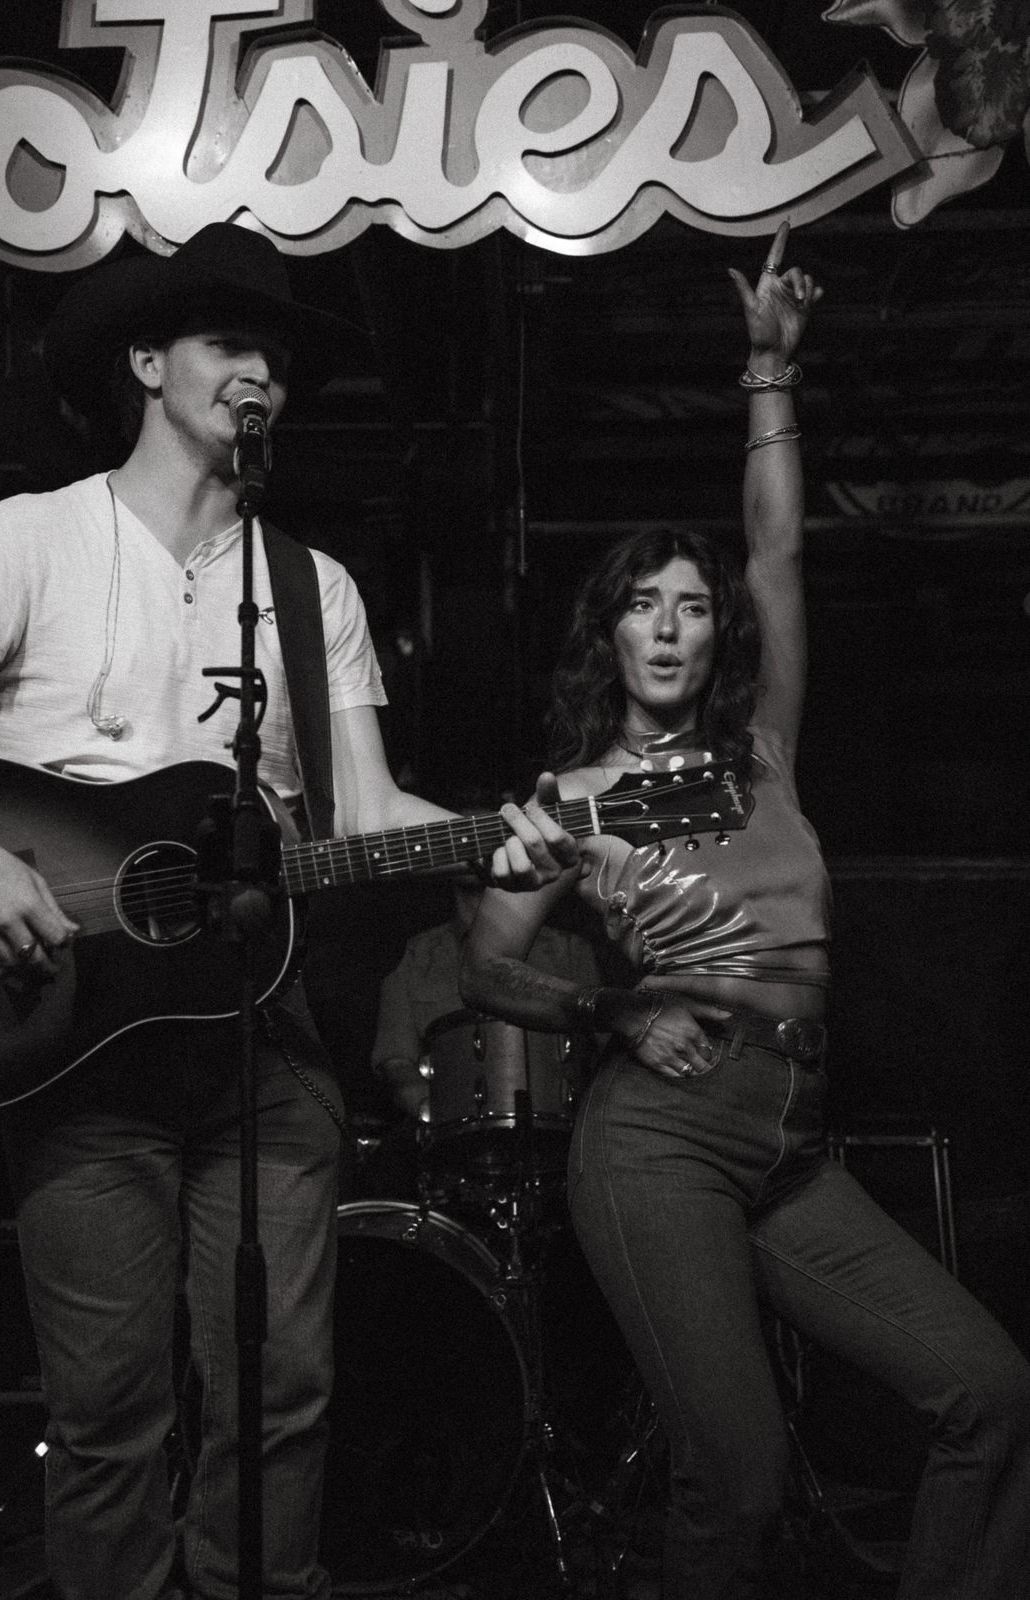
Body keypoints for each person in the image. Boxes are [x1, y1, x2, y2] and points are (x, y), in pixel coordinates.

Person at [0, 222, 577, 1600]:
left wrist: (506, 837)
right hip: (76, 1047)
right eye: (231, 345)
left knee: (283, 1389)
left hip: (260, 1042)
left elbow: (361, 810)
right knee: (110, 1412)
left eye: (280, 361)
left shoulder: (310, 588)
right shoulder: (25, 541)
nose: (262, 377)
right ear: (147, 362)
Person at [460, 222, 1030, 1599]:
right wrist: (609, 1010)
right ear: (608, 632)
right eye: (641, 606)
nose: (668, 626)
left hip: (790, 1134)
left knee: (988, 1391)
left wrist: (769, 369)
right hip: (659, 1133)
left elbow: (775, 552)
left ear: (718, 634)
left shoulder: (756, 752)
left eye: (691, 608)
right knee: (738, 1474)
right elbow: (485, 970)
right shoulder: (572, 797)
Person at [371, 870, 602, 1120]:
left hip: (559, 1130)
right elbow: (395, 1061)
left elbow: (603, 1052)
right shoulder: (413, 955)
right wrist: (433, 1112)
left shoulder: (568, 950)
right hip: (451, 1135)